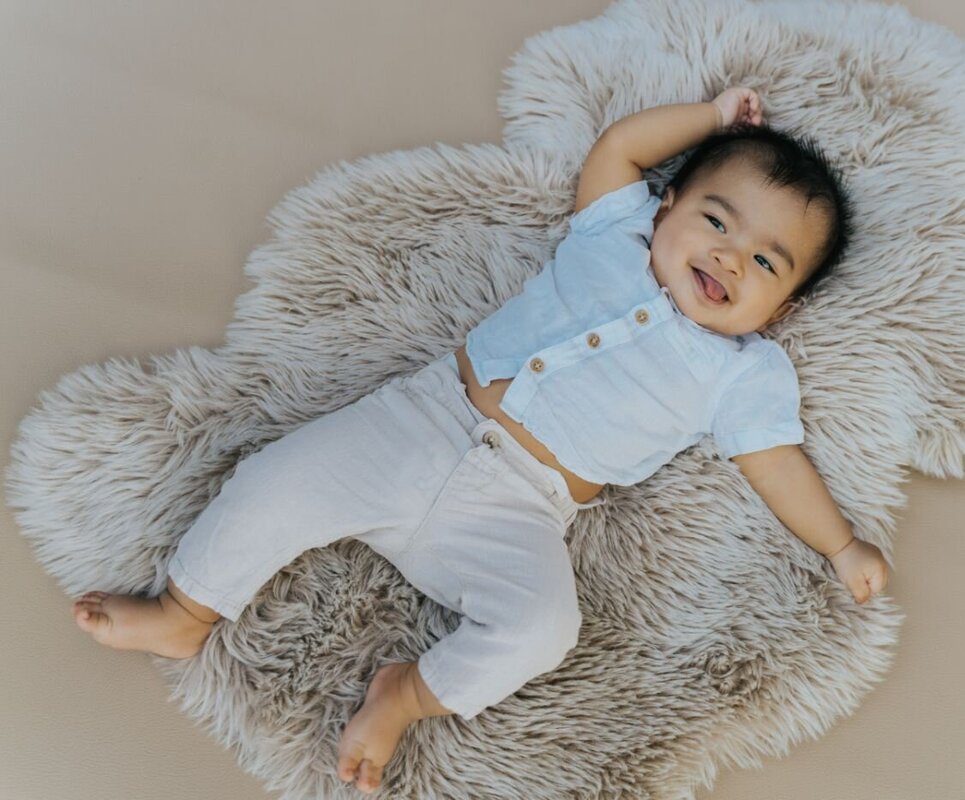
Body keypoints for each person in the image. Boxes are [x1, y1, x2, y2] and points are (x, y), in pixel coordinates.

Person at [71, 87, 889, 794]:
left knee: (543, 630)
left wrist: (841, 543)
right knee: (275, 482)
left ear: (778, 312)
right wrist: (711, 115)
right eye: (717, 219)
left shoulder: (742, 372)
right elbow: (619, 147)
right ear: (667, 205)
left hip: (521, 510)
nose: (728, 257)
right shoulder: (616, 235)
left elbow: (776, 461)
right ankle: (184, 612)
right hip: (423, 421)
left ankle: (405, 696)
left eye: (765, 263)